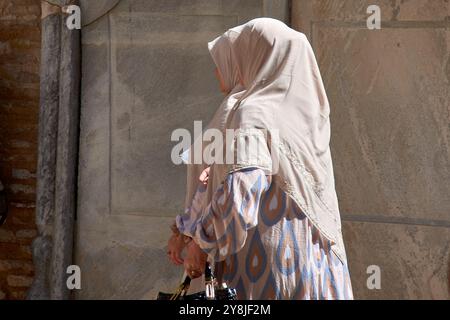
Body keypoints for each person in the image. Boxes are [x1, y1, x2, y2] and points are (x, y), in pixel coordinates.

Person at [167, 17, 354, 300]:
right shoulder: (305, 115)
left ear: (254, 57)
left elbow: (241, 189)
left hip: (270, 271)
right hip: (316, 267)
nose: (219, 70)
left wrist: (202, 243)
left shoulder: (254, 112)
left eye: (231, 58)